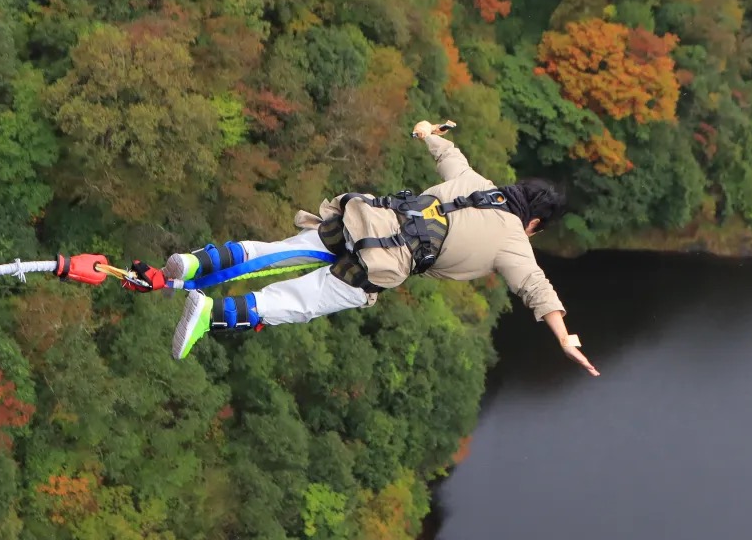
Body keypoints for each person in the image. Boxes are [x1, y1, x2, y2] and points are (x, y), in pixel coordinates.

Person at [154, 120, 599, 377]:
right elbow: (537, 290)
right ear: (535, 222)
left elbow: (448, 152)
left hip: (361, 218)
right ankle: (208, 315)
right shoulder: (515, 243)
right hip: (378, 265)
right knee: (295, 301)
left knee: (275, 252)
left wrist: (425, 130)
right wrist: (564, 339)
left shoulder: (476, 182)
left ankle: (194, 263)